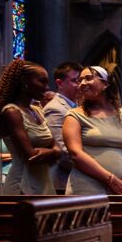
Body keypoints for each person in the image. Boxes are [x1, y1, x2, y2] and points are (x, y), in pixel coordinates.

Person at [62, 66, 122, 195]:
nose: (82, 83)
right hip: (85, 187)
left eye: (88, 78)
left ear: (105, 84)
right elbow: (75, 153)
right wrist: (110, 179)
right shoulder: (74, 116)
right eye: (79, 80)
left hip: (120, 190)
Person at [0, 60, 60, 194]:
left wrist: (54, 152)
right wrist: (54, 152)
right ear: (24, 81)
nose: (47, 87)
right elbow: (31, 156)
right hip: (22, 183)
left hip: (43, 181)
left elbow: (57, 147)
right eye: (42, 81)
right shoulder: (12, 112)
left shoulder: (37, 110)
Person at [42, 61, 83, 190]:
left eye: (81, 80)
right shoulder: (55, 108)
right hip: (63, 181)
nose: (80, 85)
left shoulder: (77, 107)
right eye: (75, 80)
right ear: (60, 83)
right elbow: (63, 152)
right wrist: (91, 169)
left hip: (77, 178)